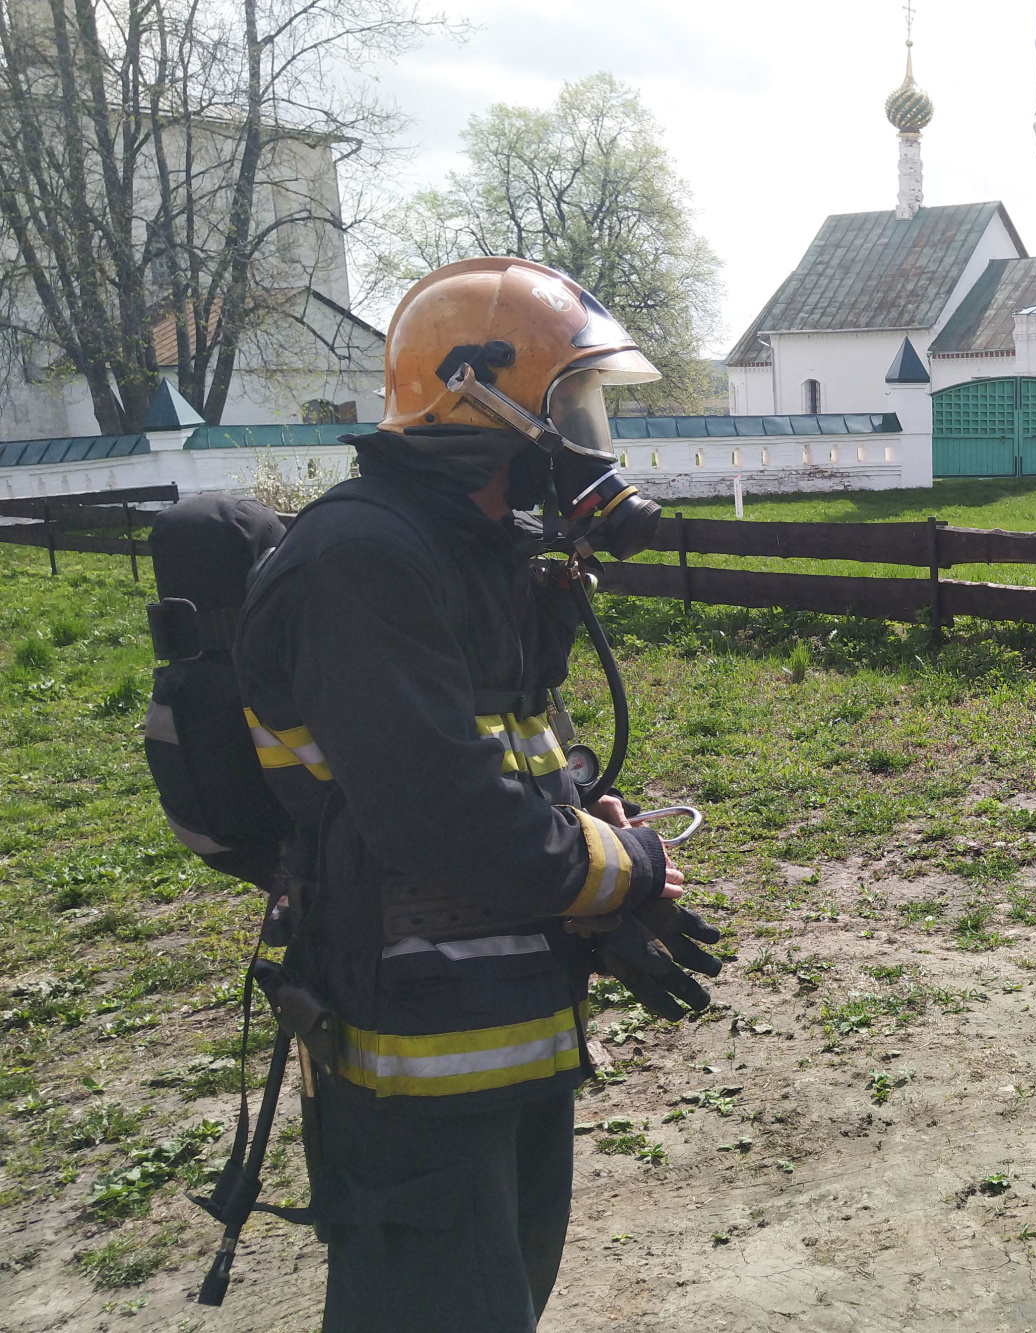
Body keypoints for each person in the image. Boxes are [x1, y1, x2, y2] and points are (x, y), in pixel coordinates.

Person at [235, 257, 720, 1332]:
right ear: (476, 395)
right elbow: (442, 815)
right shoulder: (362, 558)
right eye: (570, 406)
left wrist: (592, 816)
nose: (589, 440)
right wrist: (621, 872)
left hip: (500, 1029)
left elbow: (513, 748)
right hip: (412, 1059)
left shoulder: (471, 553)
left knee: (501, 1301)